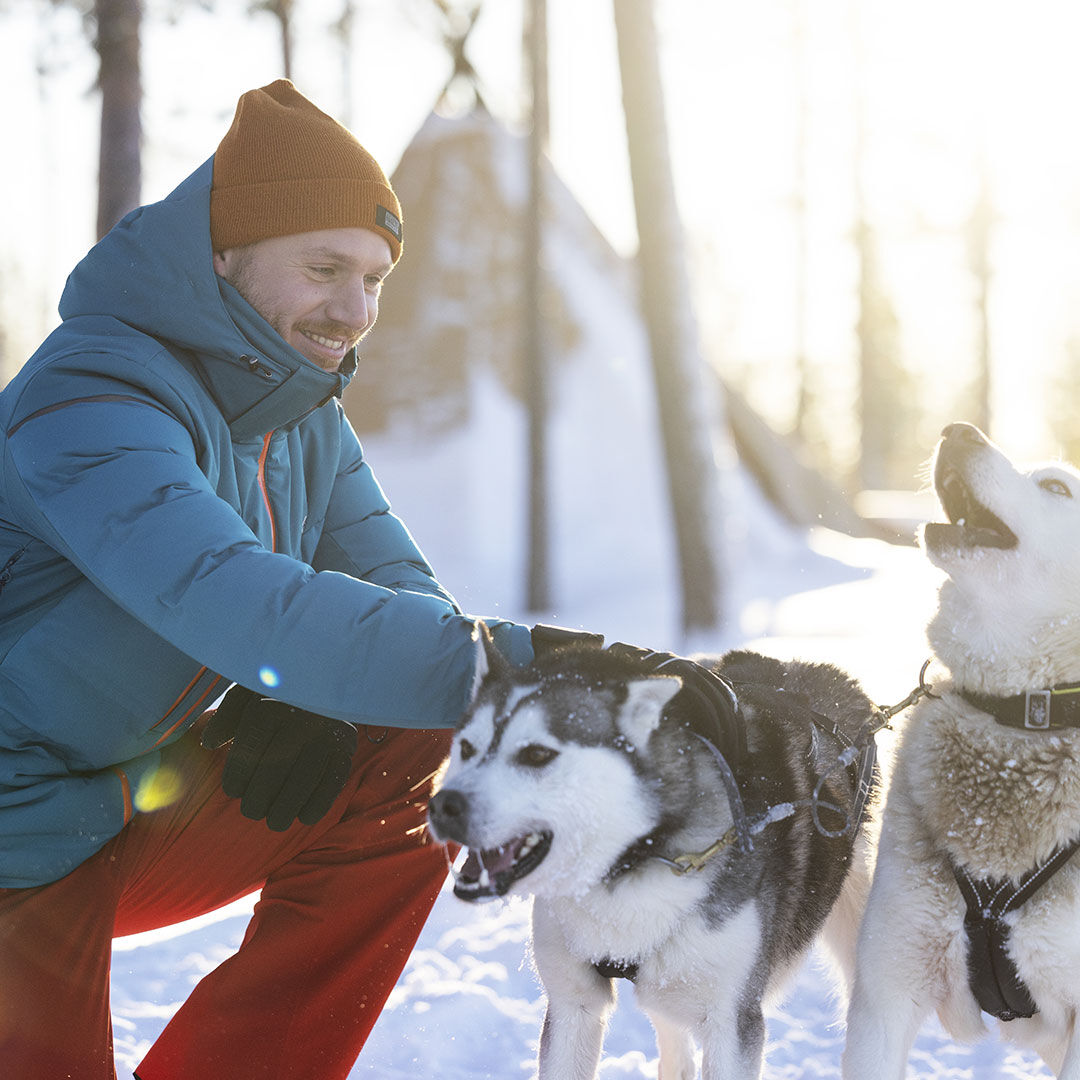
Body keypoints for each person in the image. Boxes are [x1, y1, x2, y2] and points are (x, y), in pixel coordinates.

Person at [0, 79, 545, 1079]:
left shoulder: (303, 419)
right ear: (224, 254)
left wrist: (325, 702)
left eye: (376, 278)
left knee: (419, 732)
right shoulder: (93, 390)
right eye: (326, 267)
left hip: (119, 807)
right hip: (13, 838)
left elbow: (404, 594)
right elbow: (227, 590)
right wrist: (537, 663)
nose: (355, 310)